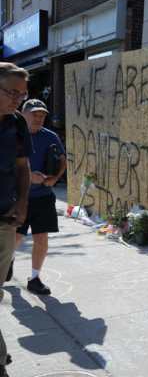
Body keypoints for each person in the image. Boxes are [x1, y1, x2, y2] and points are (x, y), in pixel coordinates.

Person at [10, 99, 66, 296]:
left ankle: (34, 278)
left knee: (41, 238)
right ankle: (7, 263)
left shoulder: (50, 136)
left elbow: (62, 160)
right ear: (23, 114)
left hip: (43, 197)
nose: (39, 118)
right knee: (15, 237)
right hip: (17, 197)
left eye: (42, 115)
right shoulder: (11, 135)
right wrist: (28, 176)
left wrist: (55, 178)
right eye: (35, 114)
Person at [0, 62, 31, 377]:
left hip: (3, 220)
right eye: (11, 92)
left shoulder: (17, 125)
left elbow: (22, 167)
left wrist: (22, 203)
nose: (17, 100)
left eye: (21, 95)